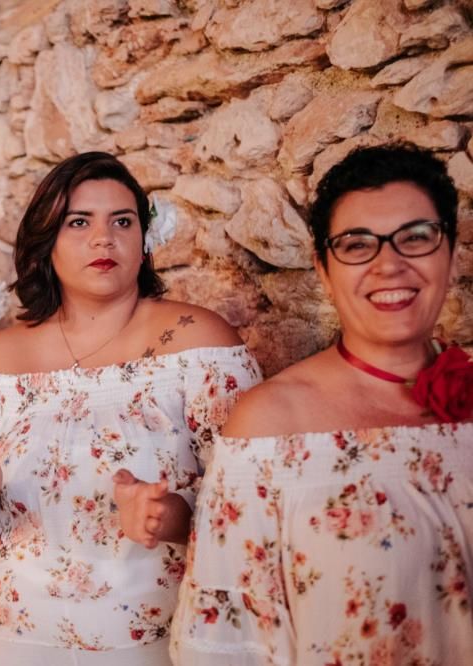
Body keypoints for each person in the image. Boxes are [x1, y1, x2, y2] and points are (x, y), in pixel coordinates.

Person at [0, 152, 261, 665]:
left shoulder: (198, 343)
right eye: (79, 222)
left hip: (149, 637)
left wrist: (168, 516)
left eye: (123, 221)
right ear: (46, 242)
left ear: (145, 240)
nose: (105, 239)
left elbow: (249, 508)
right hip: (18, 636)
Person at [170, 143, 473, 664]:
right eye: (358, 245)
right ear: (324, 270)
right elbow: (226, 644)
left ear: (452, 252)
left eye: (416, 238)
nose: (389, 264)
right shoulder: (269, 427)